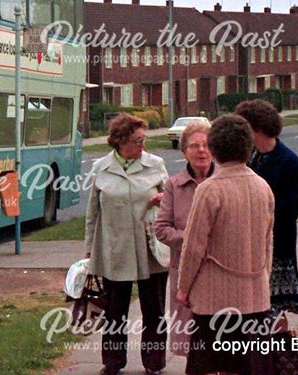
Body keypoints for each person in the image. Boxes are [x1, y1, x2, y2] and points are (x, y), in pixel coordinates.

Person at [177, 115, 274, 375]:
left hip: (214, 300)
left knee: (211, 367)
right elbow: (267, 244)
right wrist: (264, 280)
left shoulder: (210, 189)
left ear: (215, 149)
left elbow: (194, 246)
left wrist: (183, 288)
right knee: (248, 367)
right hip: (254, 298)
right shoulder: (263, 187)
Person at [84, 113, 169, 375]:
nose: (142, 144)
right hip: (114, 248)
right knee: (114, 310)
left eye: (144, 139)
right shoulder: (101, 167)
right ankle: (113, 361)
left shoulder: (156, 164)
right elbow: (93, 212)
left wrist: (162, 199)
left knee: (153, 308)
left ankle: (154, 362)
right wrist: (89, 251)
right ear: (119, 142)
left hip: (150, 247)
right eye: (137, 140)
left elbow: (171, 202)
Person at [235, 99, 298, 320]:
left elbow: (297, 204)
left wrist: (261, 209)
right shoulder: (250, 156)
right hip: (250, 241)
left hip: (277, 242)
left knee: (273, 308)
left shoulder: (288, 161)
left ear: (256, 129)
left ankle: (280, 352)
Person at [153, 120, 214, 357]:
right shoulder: (174, 185)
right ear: (184, 152)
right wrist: (191, 239)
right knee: (190, 341)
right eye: (194, 146)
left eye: (206, 145)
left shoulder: (223, 181)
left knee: (219, 336)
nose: (201, 150)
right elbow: (162, 229)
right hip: (185, 270)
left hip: (218, 269)